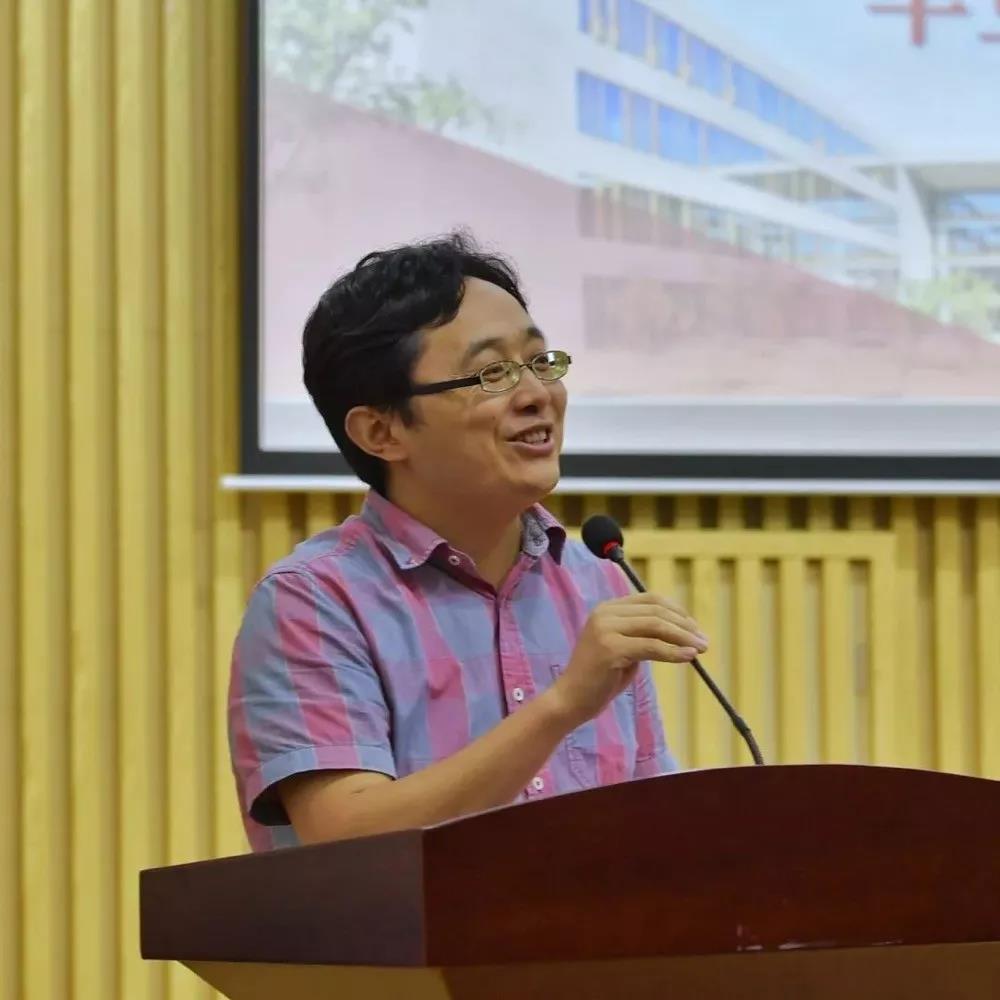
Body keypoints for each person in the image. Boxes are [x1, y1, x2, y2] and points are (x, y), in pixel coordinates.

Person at [228, 232, 708, 851]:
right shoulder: (315, 602)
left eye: (539, 362)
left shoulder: (597, 582)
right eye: (492, 373)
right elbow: (347, 838)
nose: (536, 395)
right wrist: (561, 705)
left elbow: (654, 823)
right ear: (381, 431)